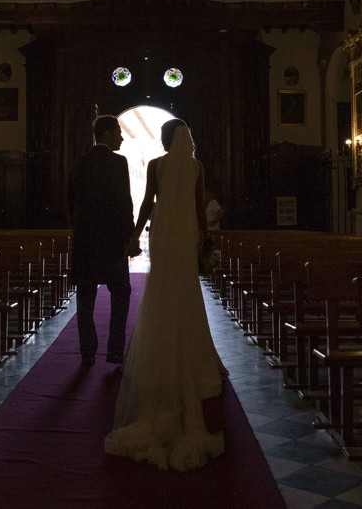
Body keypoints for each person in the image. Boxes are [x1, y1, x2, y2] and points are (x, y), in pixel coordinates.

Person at [104, 119, 226, 471]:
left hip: (162, 233)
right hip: (186, 232)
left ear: (167, 139)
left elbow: (146, 204)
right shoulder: (195, 166)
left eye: (162, 136)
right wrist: (205, 237)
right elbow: (200, 204)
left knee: (160, 288)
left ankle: (157, 353)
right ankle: (196, 358)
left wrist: (135, 235)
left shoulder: (157, 165)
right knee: (186, 292)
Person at [68, 115, 137, 367]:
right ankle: (115, 350)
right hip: (111, 242)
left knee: (85, 300)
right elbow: (124, 202)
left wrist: (80, 228)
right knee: (121, 293)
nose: (121, 137)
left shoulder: (81, 163)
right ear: (107, 133)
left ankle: (87, 351)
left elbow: (71, 202)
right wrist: (130, 236)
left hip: (85, 242)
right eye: (118, 132)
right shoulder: (118, 162)